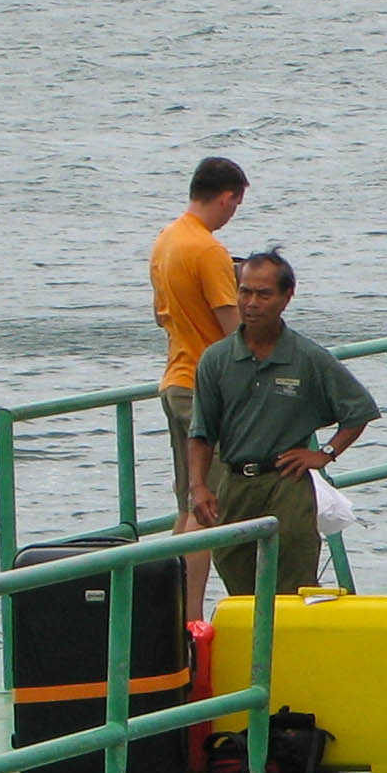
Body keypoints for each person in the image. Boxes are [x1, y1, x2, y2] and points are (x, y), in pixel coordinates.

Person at [187, 250, 379, 599]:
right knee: (240, 586)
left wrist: (325, 453)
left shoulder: (307, 357)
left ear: (286, 297)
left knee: (292, 587)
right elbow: (201, 432)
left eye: (264, 294)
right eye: (245, 292)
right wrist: (199, 486)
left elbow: (360, 410)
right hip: (234, 483)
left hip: (286, 483)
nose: (252, 303)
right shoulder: (217, 359)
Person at [151, 156, 247, 615]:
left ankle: (168, 611)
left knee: (188, 501)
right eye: (236, 204)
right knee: (206, 507)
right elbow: (233, 330)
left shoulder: (167, 240)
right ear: (228, 196)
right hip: (206, 389)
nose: (233, 214)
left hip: (175, 378)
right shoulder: (209, 250)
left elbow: (161, 315)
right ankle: (189, 617)